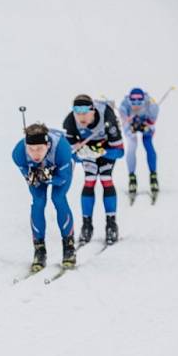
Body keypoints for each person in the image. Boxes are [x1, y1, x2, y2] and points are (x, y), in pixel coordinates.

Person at [12, 123, 76, 271]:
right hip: (42, 172)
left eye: (39, 149)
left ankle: (69, 247)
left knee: (58, 198)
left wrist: (48, 177)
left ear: (47, 145)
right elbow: (28, 176)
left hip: (59, 171)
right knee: (39, 202)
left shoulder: (62, 149)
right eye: (31, 149)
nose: (35, 154)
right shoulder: (19, 153)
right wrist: (33, 177)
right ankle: (39, 250)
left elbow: (63, 178)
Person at [62, 94, 124, 246]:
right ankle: (86, 225)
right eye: (78, 113)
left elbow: (120, 151)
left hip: (107, 149)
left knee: (105, 179)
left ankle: (111, 224)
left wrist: (102, 152)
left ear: (93, 110)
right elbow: (68, 152)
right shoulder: (70, 121)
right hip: (87, 151)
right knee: (89, 180)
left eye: (85, 113)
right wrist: (80, 155)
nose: (81, 117)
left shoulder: (108, 118)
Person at [118, 88, 160, 203]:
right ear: (129, 101)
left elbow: (152, 123)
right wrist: (131, 128)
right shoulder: (124, 106)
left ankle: (153, 176)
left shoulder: (152, 105)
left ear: (143, 101)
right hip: (131, 126)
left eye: (139, 103)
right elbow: (125, 127)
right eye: (133, 103)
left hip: (146, 126)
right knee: (131, 147)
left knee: (148, 145)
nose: (136, 106)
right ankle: (132, 177)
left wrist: (145, 126)